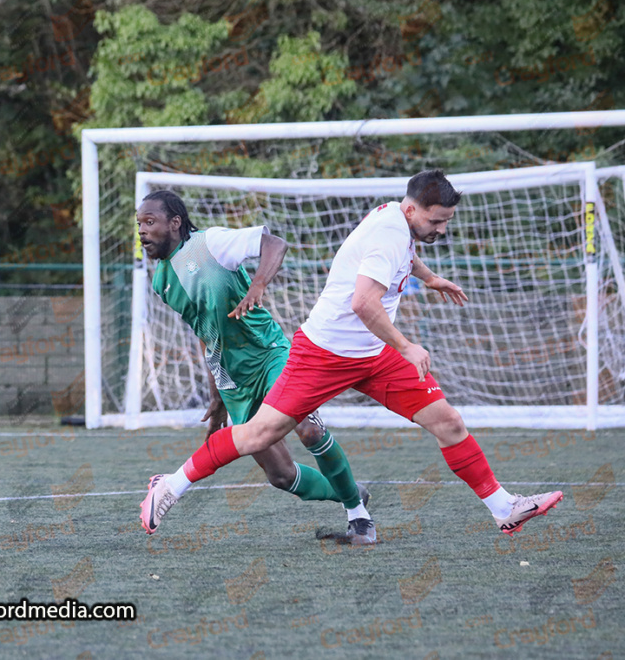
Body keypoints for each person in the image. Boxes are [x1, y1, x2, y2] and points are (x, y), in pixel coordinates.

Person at [141, 170, 563, 538]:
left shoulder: (392, 216)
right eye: (437, 221)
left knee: (448, 421)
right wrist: (408, 345)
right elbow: (364, 303)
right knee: (258, 436)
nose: (442, 230)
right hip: (322, 354)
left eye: (446, 221)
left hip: (371, 355)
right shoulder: (389, 234)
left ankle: (502, 508)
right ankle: (169, 486)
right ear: (414, 211)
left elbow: (405, 257)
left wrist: (430, 278)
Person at [137, 190, 374, 544]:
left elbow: (274, 244)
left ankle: (359, 518)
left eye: (150, 222)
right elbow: (204, 331)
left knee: (308, 429)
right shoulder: (161, 282)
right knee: (280, 475)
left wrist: (258, 285)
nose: (142, 231)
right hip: (233, 381)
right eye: (139, 224)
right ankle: (348, 491)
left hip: (270, 355)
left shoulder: (210, 244)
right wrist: (215, 395)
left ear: (174, 223)